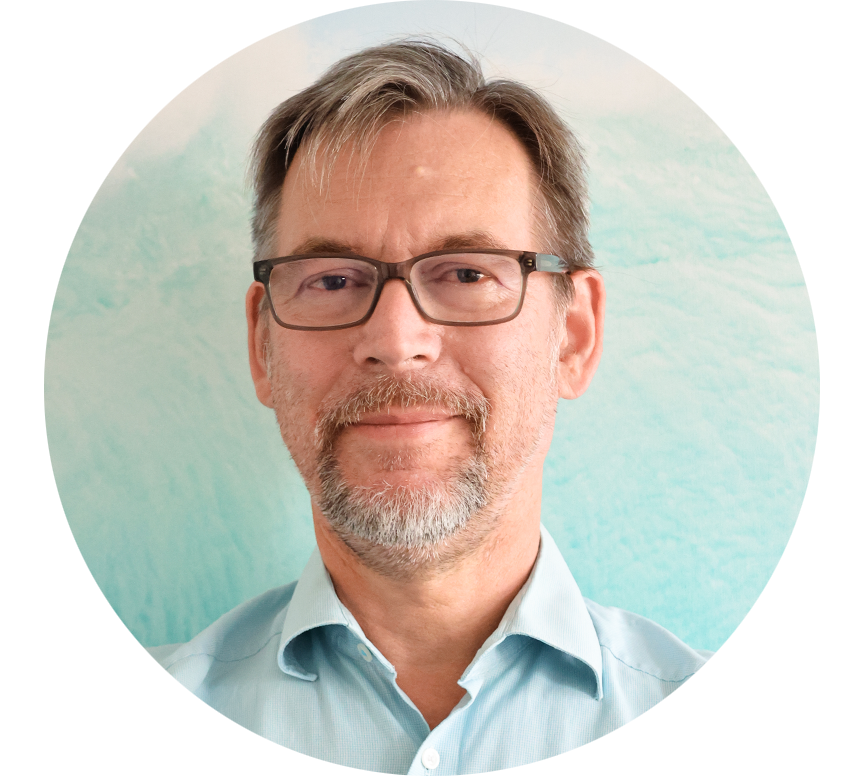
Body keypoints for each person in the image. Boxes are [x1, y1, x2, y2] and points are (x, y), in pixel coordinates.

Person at [45, 39, 819, 775]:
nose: (395, 339)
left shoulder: (780, 748)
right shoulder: (85, 739)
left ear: (574, 336)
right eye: (332, 279)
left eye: (466, 273)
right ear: (261, 346)